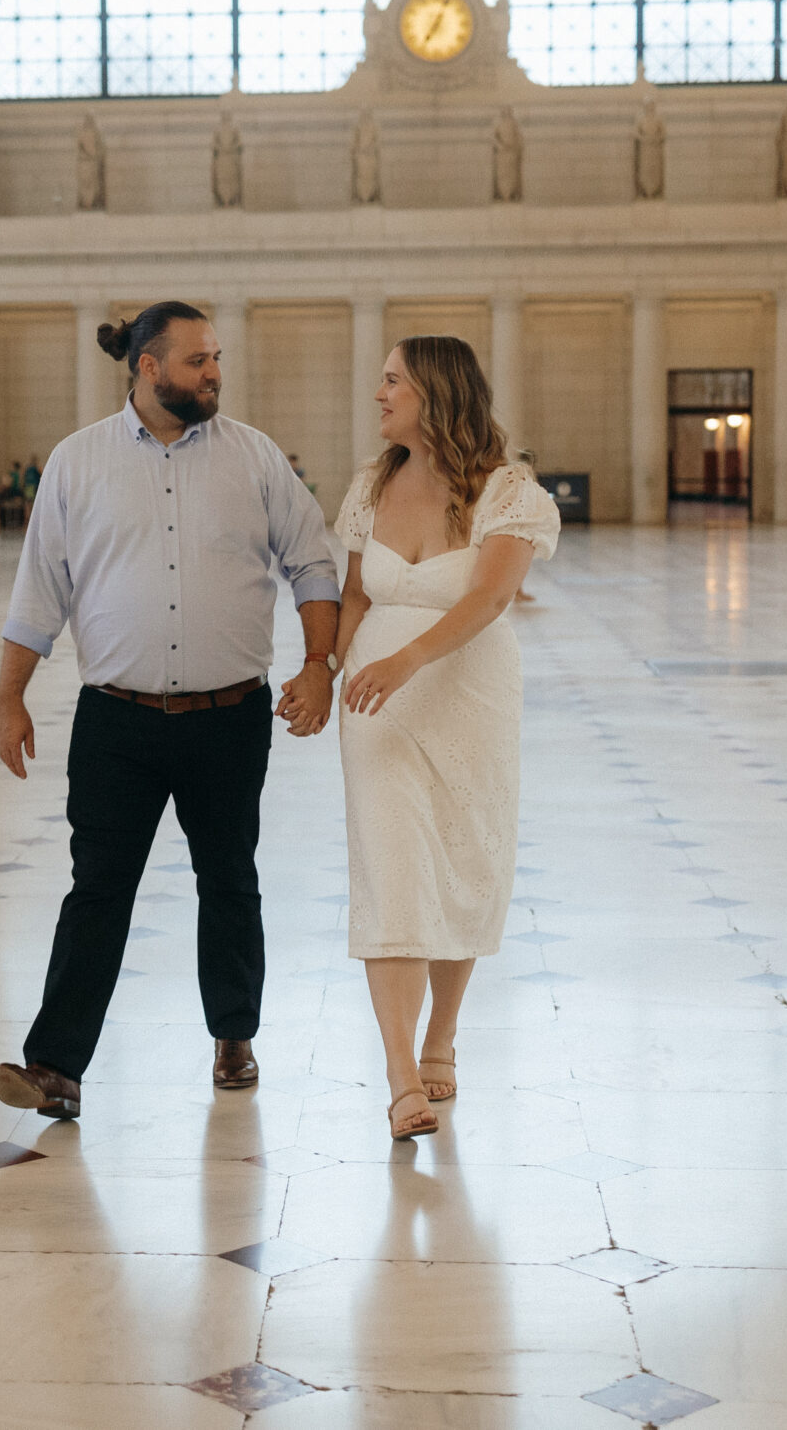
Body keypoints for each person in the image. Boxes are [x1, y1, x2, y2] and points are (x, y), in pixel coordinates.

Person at [0, 300, 341, 1122]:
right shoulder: (78, 463)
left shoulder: (254, 458)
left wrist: (318, 663)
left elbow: (313, 559)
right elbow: (40, 588)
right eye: (197, 361)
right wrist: (10, 696)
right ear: (148, 367)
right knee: (97, 890)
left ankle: (233, 1034)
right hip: (116, 723)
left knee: (229, 879)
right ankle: (55, 1066)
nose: (214, 373)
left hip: (230, 716)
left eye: (217, 358)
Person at [332, 336, 558, 1141]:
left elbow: (493, 595)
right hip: (377, 704)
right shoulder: (372, 483)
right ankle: (400, 1078)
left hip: (468, 692)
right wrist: (324, 668)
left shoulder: (508, 492)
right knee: (393, 869)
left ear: (434, 391)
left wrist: (410, 658)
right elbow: (355, 592)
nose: (380, 392)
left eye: (392, 379)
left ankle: (441, 1035)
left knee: (463, 859)